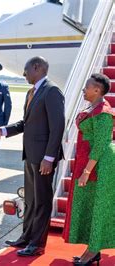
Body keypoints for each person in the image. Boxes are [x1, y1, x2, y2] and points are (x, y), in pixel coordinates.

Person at [0, 56, 65, 257]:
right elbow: (26, 123)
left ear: (37, 67)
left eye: (25, 70)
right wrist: (4, 130)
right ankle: (26, 236)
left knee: (41, 200)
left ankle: (37, 244)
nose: (23, 74)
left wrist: (49, 157)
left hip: (43, 158)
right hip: (31, 156)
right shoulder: (32, 92)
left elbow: (57, 126)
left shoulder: (52, 91)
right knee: (31, 200)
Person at [63, 74, 115, 265]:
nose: (84, 90)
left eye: (87, 87)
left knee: (99, 207)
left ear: (97, 90)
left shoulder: (103, 112)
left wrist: (86, 171)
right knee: (91, 205)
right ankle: (92, 249)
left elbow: (101, 144)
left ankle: (93, 250)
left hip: (101, 164)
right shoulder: (92, 107)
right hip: (89, 161)